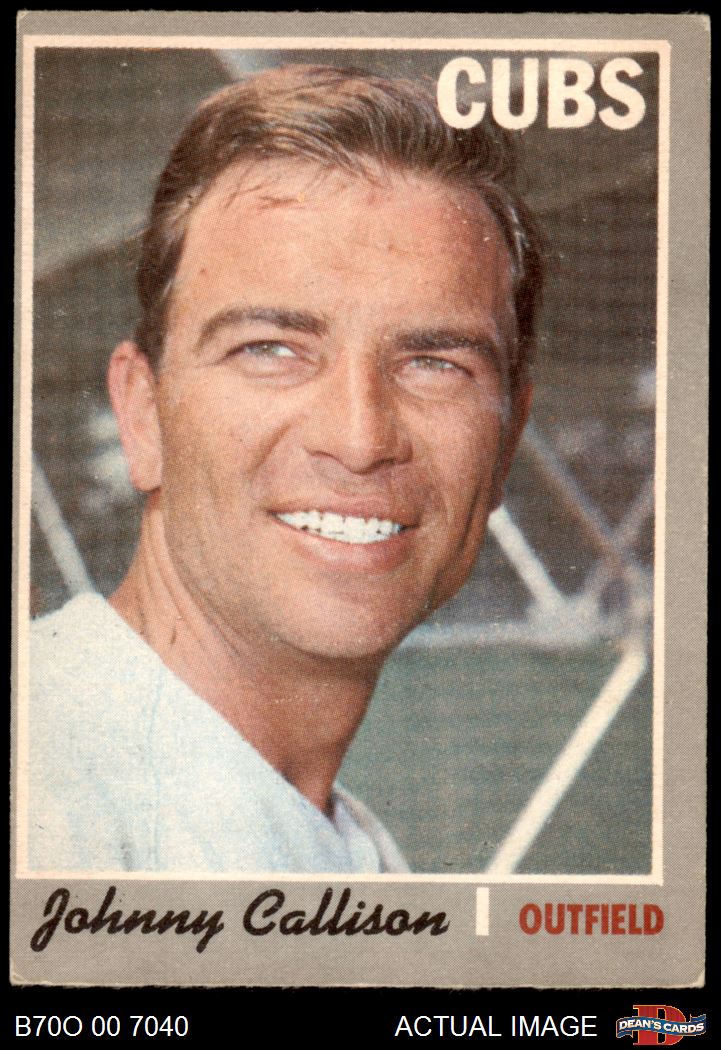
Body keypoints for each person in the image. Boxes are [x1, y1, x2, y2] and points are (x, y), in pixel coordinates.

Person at [28, 64, 542, 873]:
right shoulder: (46, 794)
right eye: (269, 350)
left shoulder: (341, 845)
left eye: (434, 363)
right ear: (143, 414)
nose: (359, 438)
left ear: (506, 439)